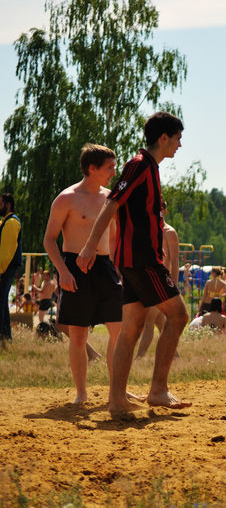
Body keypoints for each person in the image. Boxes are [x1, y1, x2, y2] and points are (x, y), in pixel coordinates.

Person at [77, 111, 190, 415]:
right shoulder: (140, 164)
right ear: (163, 138)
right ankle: (158, 390)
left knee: (132, 327)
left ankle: (116, 400)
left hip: (133, 260)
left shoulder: (148, 167)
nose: (180, 144)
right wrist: (90, 246)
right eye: (178, 138)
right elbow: (112, 202)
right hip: (142, 260)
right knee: (179, 316)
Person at [42, 144, 126, 404]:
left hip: (105, 268)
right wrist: (63, 272)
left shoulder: (110, 198)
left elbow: (116, 237)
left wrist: (120, 269)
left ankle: (117, 391)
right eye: (110, 167)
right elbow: (49, 240)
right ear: (92, 168)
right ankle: (81, 393)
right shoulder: (66, 199)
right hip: (74, 268)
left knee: (119, 331)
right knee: (78, 336)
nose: (114, 172)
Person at [136, 200, 180, 359]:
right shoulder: (149, 231)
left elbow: (175, 261)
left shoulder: (169, 232)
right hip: (150, 281)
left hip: (164, 282)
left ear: (165, 211)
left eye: (160, 209)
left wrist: (174, 286)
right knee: (160, 322)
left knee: (148, 320)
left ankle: (139, 358)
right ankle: (175, 356)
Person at [0, 193, 22, 343]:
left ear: (8, 205)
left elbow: (6, 251)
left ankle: (3, 335)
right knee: (2, 300)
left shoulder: (12, 222)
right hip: (5, 267)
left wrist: (0, 270)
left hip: (6, 267)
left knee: (0, 300)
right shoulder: (5, 221)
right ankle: (5, 336)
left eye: (0, 203)